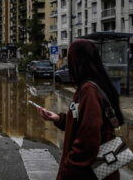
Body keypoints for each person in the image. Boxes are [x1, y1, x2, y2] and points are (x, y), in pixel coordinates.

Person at [36, 39, 124, 180]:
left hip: (89, 174)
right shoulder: (96, 84)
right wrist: (58, 118)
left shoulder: (89, 90)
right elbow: (82, 122)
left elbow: (88, 140)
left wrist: (67, 169)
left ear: (77, 62)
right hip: (101, 171)